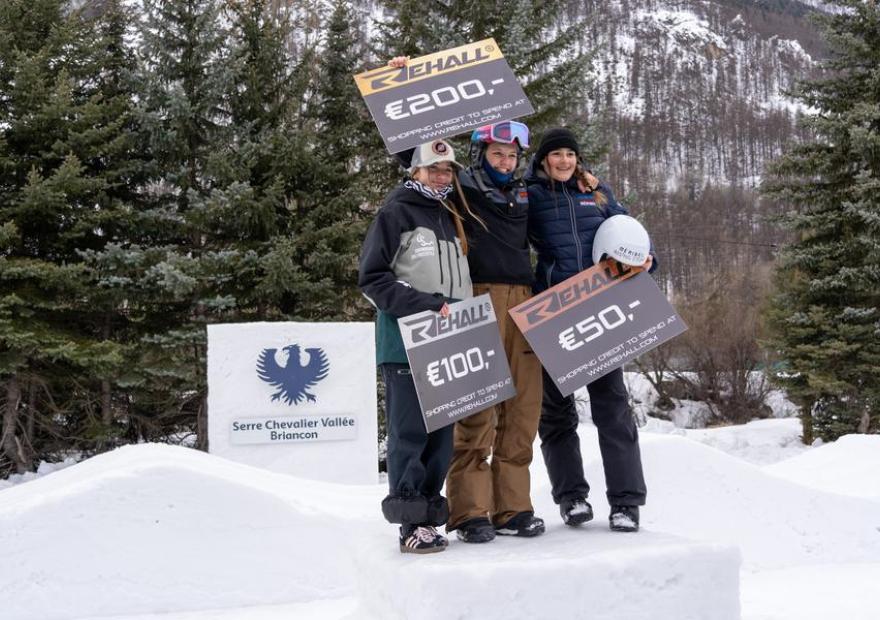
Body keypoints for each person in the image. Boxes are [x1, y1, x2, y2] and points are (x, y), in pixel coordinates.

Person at [525, 127, 655, 532]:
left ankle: (626, 503)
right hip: (553, 312)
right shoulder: (531, 195)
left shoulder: (597, 193)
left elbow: (628, 235)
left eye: (569, 154)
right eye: (556, 154)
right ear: (543, 159)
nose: (564, 161)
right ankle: (572, 498)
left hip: (598, 308)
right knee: (556, 414)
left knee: (613, 409)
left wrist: (649, 259)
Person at [358, 138, 476, 554]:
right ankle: (410, 524)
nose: (442, 177)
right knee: (410, 432)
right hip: (406, 340)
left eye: (448, 171)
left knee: (441, 435)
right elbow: (373, 279)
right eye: (434, 169)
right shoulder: (396, 212)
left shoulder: (449, 214)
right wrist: (427, 306)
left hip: (448, 340)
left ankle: (428, 516)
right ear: (416, 171)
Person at [444, 121, 546, 543]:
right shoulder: (461, 188)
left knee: (523, 409)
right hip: (478, 299)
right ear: (481, 155)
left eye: (511, 155)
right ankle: (470, 511)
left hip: (524, 301)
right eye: (497, 154)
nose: (505, 162)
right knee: (478, 405)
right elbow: (416, 161)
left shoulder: (524, 194)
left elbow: (567, 222)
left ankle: (513, 509)